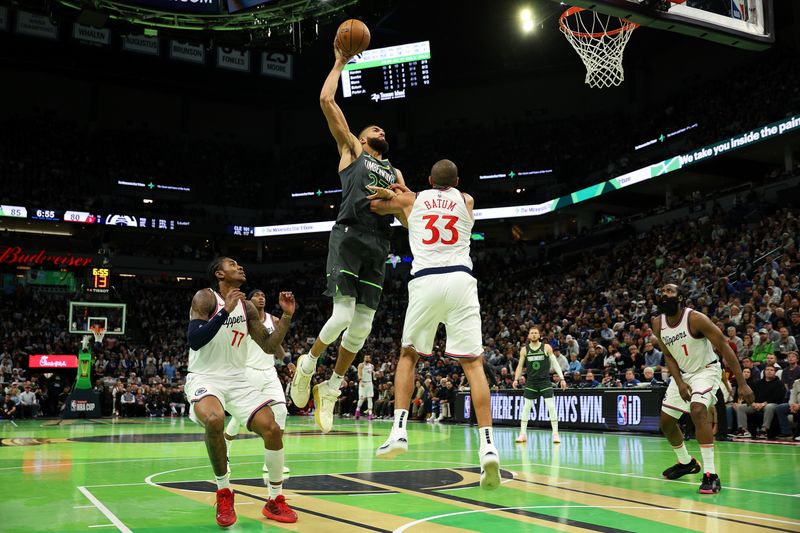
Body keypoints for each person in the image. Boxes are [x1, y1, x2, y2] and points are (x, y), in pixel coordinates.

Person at [289, 38, 406, 434]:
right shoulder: (353, 150)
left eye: (382, 128)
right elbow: (326, 101)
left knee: (362, 328)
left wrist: (394, 197)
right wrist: (339, 62)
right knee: (341, 315)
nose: (380, 129)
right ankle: (307, 366)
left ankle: (333, 386)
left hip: (378, 243)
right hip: (349, 235)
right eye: (374, 126)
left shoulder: (396, 173)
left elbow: (408, 217)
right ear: (361, 135)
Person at [367, 159, 501, 490]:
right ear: (457, 181)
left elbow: (375, 206)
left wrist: (396, 192)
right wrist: (407, 194)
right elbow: (444, 200)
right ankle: (488, 446)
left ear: (428, 179)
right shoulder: (466, 200)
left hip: (426, 281)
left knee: (409, 355)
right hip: (460, 279)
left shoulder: (412, 200)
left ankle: (398, 430)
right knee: (474, 365)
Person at [185, 258, 296, 526]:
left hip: (237, 378)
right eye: (233, 264)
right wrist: (225, 311)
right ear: (220, 273)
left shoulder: (247, 307)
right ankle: (224, 491)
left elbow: (269, 347)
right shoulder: (205, 298)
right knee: (214, 420)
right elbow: (195, 340)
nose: (240, 267)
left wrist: (287, 316)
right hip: (206, 377)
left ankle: (275, 500)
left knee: (272, 429)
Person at [653, 283, 753, 494]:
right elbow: (669, 356)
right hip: (683, 374)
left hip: (706, 370)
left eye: (669, 291)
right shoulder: (657, 323)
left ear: (680, 298)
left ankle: (711, 474)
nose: (664, 294)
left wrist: (742, 383)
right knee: (666, 423)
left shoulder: (695, 318)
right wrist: (679, 382)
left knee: (698, 410)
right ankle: (686, 463)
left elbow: (724, 346)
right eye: (662, 292)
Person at [223, 289, 291, 482]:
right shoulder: (243, 320)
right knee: (239, 418)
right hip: (248, 371)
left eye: (263, 295)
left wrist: (288, 361)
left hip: (269, 372)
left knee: (281, 412)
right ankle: (225, 454)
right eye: (256, 295)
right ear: (249, 301)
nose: (261, 297)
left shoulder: (274, 320)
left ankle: (272, 460)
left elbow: (275, 345)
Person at [511, 326, 567, 443]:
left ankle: (555, 434)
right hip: (531, 382)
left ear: (539, 335)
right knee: (526, 408)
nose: (534, 335)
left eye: (536, 333)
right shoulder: (524, 350)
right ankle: (523, 434)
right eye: (532, 333)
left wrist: (562, 378)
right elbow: (520, 366)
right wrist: (516, 379)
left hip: (545, 381)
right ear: (528, 336)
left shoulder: (546, 347)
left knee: (551, 407)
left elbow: (555, 363)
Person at [355, 355, 375, 420]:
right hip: (363, 382)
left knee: (370, 398)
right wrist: (361, 381)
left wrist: (375, 375)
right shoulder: (361, 365)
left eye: (368, 357)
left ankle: (370, 414)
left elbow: (372, 374)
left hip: (369, 383)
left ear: (370, 359)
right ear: (363, 358)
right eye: (365, 357)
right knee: (361, 398)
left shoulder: (372, 366)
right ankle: (357, 411)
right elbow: (359, 373)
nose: (367, 358)